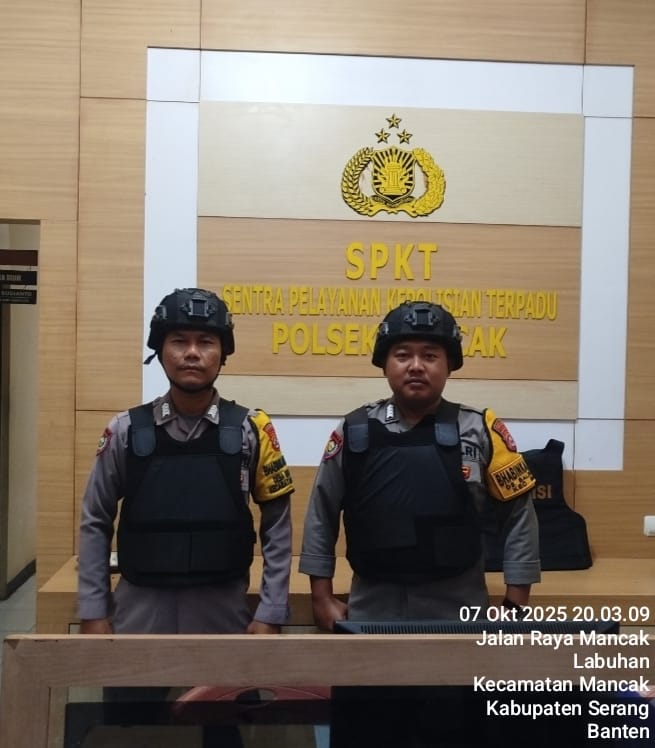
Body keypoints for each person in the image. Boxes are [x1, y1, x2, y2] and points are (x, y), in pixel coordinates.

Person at [299, 300, 541, 746]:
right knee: (368, 732)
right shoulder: (354, 430)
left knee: (456, 733)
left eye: (430, 355)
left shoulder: (481, 430)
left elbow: (519, 517)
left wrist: (516, 603)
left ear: (449, 364)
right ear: (384, 363)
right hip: (371, 615)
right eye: (403, 354)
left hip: (460, 616)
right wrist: (321, 596)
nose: (416, 366)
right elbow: (321, 512)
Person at [77, 287, 294, 709]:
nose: (192, 353)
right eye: (179, 341)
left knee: (223, 728)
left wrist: (271, 612)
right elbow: (94, 522)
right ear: (160, 352)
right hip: (139, 614)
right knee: (130, 726)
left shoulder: (251, 430)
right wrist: (93, 610)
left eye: (205, 342)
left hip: (223, 615)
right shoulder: (124, 431)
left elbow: (278, 529)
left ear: (223, 353)